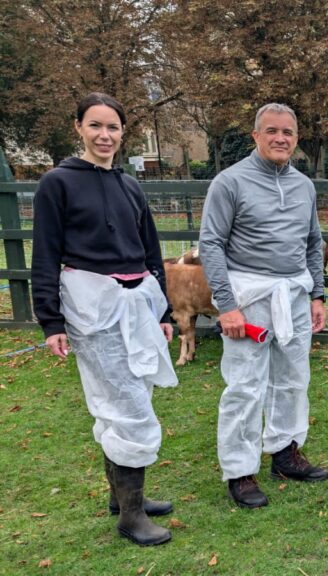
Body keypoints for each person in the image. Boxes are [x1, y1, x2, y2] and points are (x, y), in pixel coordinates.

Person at [31, 92, 177, 546]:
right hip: (93, 306)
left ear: (122, 132)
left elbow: (150, 247)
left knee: (137, 388)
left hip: (138, 302)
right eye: (95, 125)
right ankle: (131, 516)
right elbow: (46, 253)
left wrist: (164, 309)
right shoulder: (58, 183)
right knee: (124, 401)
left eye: (112, 127)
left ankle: (123, 494)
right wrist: (50, 321)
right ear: (78, 128)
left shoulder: (129, 185)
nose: (105, 135)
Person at [199, 103, 328, 508]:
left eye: (288, 132)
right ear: (255, 135)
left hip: (293, 295)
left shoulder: (303, 186)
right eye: (271, 131)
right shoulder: (230, 182)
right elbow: (212, 244)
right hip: (248, 298)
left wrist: (317, 294)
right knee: (245, 385)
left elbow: (312, 242)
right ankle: (239, 470)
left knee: (293, 377)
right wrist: (226, 306)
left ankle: (285, 450)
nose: (280, 139)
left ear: (296, 138)